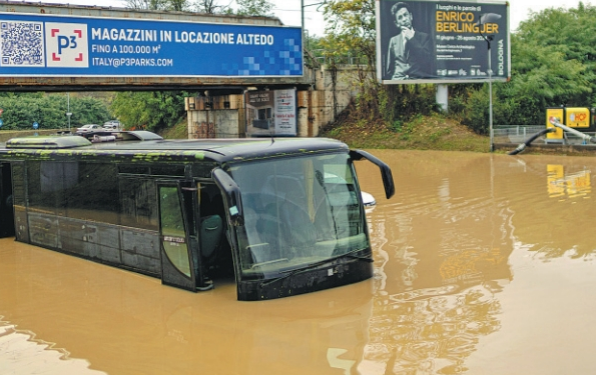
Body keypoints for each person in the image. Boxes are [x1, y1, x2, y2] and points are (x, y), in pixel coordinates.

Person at [385, 2, 433, 80]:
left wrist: (412, 39)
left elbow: (427, 61)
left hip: (418, 81)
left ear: (411, 16)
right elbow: (390, 69)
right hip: (398, 81)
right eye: (400, 17)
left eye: (405, 15)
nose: (404, 19)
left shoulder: (424, 37)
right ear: (396, 23)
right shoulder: (393, 41)